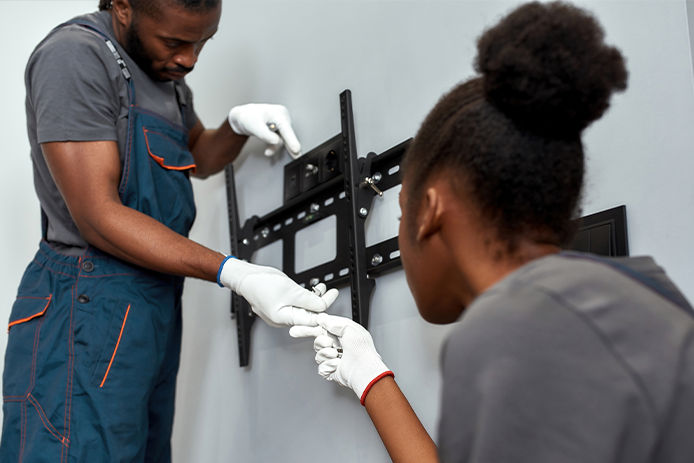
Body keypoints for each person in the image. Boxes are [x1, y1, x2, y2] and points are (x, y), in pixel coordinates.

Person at [290, 2, 694, 462]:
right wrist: (370, 377)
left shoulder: (505, 333)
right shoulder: (638, 290)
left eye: (402, 215)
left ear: (431, 211)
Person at [1, 0, 338, 461]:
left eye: (203, 42)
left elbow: (195, 153)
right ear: (122, 6)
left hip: (150, 306)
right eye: (176, 42)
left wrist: (237, 126)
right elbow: (97, 215)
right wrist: (232, 272)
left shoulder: (164, 77)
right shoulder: (75, 57)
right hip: (85, 304)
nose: (190, 59)